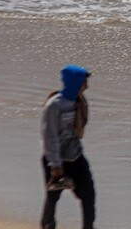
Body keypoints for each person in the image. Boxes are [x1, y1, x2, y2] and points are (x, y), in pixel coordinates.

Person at [40, 64, 95, 229]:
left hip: (76, 157)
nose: (86, 86)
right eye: (84, 82)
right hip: (56, 159)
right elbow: (49, 137)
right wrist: (55, 165)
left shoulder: (80, 102)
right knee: (52, 198)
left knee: (89, 196)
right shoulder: (53, 106)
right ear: (75, 83)